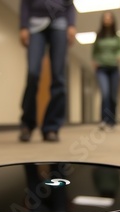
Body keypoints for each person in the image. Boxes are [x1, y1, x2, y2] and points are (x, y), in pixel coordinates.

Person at [18, 0, 76, 142]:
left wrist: (72, 24)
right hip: (35, 24)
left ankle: (51, 127)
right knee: (32, 74)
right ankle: (27, 124)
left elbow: (70, 4)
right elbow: (25, 3)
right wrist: (23, 26)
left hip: (60, 23)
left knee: (59, 76)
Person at [92, 12, 120, 131]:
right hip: (101, 68)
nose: (107, 20)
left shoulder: (117, 36)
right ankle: (104, 120)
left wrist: (119, 56)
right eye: (105, 18)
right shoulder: (98, 35)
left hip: (114, 68)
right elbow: (94, 50)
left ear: (113, 20)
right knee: (105, 93)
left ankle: (112, 121)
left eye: (109, 18)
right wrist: (94, 60)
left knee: (112, 96)